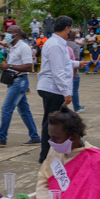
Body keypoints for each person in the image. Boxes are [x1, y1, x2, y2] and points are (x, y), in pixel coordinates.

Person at [0, 26, 40, 147]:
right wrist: (2, 65)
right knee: (24, 111)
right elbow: (12, 64)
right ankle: (35, 137)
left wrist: (9, 66)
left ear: (16, 34)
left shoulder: (24, 47)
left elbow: (28, 66)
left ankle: (2, 138)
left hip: (19, 81)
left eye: (9, 32)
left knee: (6, 109)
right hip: (15, 81)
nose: (6, 34)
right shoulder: (12, 47)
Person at [36, 16, 75, 164]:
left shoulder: (57, 44)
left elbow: (64, 63)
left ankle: (54, 152)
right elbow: (57, 71)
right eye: (70, 29)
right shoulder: (55, 45)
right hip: (53, 88)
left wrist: (77, 63)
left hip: (53, 88)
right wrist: (66, 92)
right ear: (66, 28)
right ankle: (46, 155)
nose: (70, 32)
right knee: (51, 122)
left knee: (54, 121)